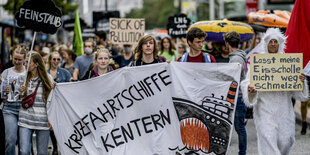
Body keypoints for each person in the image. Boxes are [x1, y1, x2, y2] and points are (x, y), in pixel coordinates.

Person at [241, 28, 309, 155]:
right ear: (266, 44)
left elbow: (299, 93)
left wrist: (301, 81)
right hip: (264, 109)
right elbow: (246, 82)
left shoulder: (288, 62)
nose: (273, 44)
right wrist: (250, 89)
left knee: (286, 140)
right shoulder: (259, 62)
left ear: (280, 44)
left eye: (275, 41)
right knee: (268, 138)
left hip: (284, 109)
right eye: (271, 41)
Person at [18, 52, 54, 155]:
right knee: (23, 151)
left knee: (42, 152)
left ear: (36, 64)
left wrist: (51, 118)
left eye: (28, 62)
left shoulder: (48, 78)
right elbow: (16, 98)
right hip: (26, 118)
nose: (25, 64)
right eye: (25, 62)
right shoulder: (22, 78)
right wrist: (21, 92)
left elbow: (52, 100)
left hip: (43, 120)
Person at [224, 31, 247, 155]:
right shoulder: (239, 56)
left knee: (239, 128)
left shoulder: (236, 58)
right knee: (238, 127)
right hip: (238, 97)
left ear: (227, 43)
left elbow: (234, 78)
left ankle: (242, 153)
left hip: (237, 97)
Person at [1, 46, 27, 155]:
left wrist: (26, 91)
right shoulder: (6, 73)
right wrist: (4, 92)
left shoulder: (28, 73)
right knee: (10, 141)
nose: (16, 61)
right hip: (9, 108)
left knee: (24, 146)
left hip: (25, 108)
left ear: (25, 60)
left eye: (19, 59)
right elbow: (2, 95)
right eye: (15, 58)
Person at [47, 51, 71, 154]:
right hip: (50, 103)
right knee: (51, 125)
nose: (56, 61)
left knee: (61, 126)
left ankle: (62, 147)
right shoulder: (45, 73)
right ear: (50, 60)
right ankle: (55, 147)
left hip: (62, 104)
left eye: (58, 59)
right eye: (54, 59)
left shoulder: (65, 72)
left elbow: (71, 86)